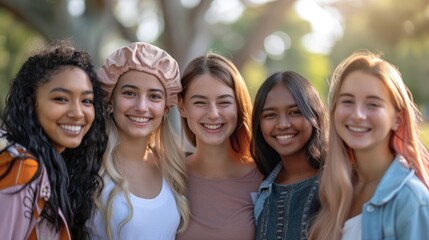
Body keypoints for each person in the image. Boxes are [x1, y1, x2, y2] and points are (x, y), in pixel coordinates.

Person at [308, 51, 429, 240]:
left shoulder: (412, 200)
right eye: (347, 101)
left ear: (397, 119)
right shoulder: (334, 189)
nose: (357, 114)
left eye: (373, 104)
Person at [0, 40, 107, 240]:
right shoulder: (20, 168)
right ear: (31, 103)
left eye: (86, 101)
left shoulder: (57, 166)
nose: (77, 113)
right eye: (60, 99)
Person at [89, 42, 189, 240]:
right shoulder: (88, 166)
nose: (142, 107)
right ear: (110, 101)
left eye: (154, 96)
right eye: (129, 93)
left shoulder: (174, 168)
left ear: (166, 109)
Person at [176, 52, 263, 240]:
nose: (213, 114)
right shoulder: (169, 175)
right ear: (182, 106)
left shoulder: (266, 179)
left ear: (239, 106)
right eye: (200, 102)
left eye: (224, 102)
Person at [251, 71, 328, 240]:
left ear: (314, 114)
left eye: (295, 112)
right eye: (270, 115)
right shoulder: (261, 187)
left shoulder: (335, 181)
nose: (283, 124)